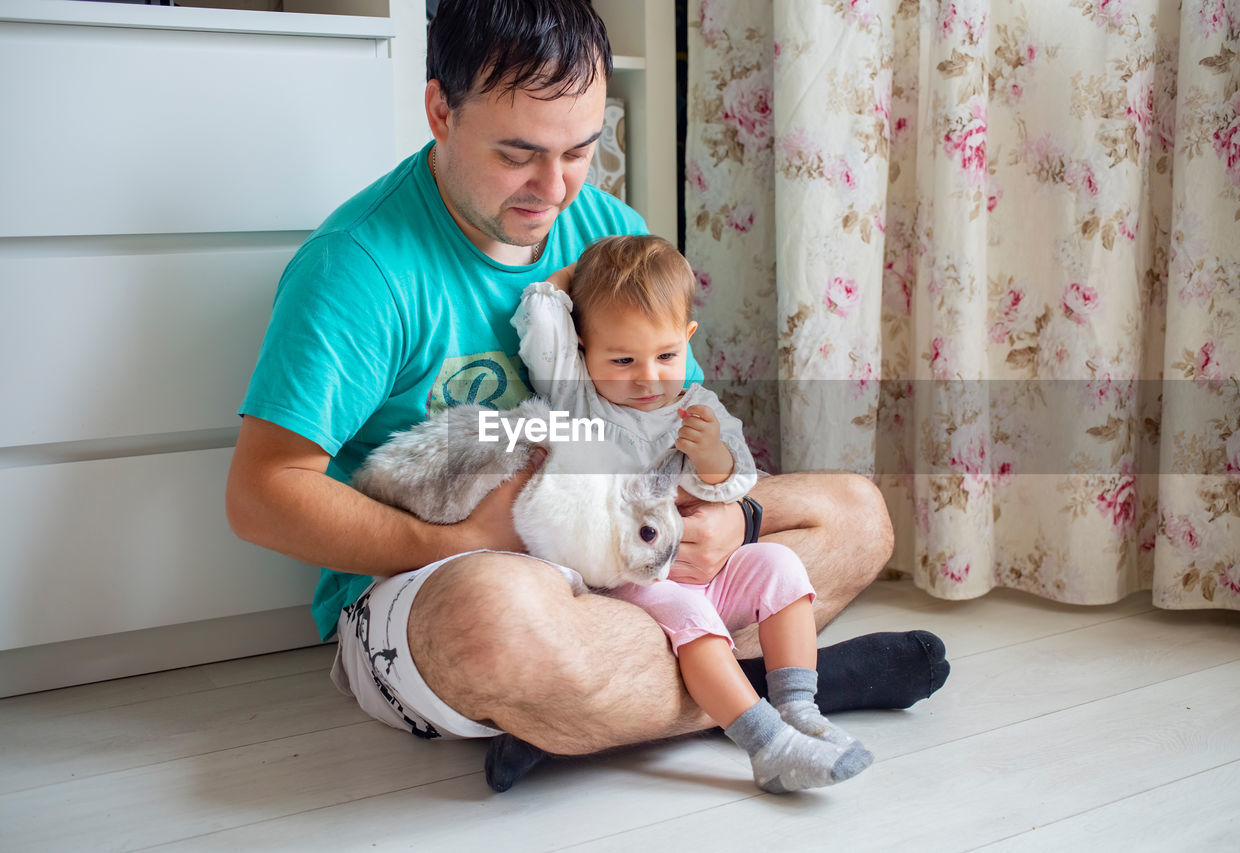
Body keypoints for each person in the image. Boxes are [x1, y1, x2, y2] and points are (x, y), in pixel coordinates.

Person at [225, 0, 948, 794]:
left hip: (630, 551)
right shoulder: (357, 266)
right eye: (518, 154)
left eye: (581, 150)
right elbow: (262, 494)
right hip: (447, 577)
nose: (555, 187)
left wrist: (720, 519)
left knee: (856, 513)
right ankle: (802, 683)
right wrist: (460, 538)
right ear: (440, 110)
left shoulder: (607, 229)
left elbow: (674, 414)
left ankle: (586, 717)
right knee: (495, 621)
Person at [513, 234, 874, 792]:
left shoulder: (698, 407)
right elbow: (539, 311)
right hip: (633, 581)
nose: (647, 378)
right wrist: (579, 279)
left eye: (665, 356)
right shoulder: (577, 397)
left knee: (780, 565)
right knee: (691, 616)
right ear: (584, 348)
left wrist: (711, 457)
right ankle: (766, 744)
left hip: (707, 568)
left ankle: (799, 710)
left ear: (687, 341)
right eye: (622, 360)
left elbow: (740, 481)